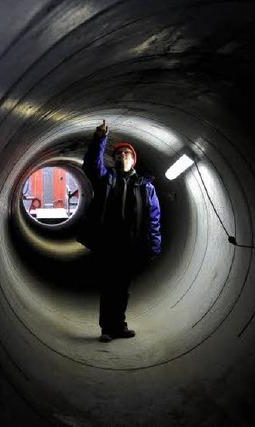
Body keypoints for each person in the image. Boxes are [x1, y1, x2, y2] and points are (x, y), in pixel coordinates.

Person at [77, 120, 162, 343]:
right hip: (108, 243)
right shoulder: (107, 179)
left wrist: (153, 246)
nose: (122, 155)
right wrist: (100, 139)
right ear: (114, 159)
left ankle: (120, 325)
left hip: (131, 245)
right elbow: (92, 166)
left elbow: (153, 218)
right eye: (119, 153)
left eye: (127, 153)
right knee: (108, 287)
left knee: (122, 288)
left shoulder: (146, 186)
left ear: (134, 160)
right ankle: (106, 328)